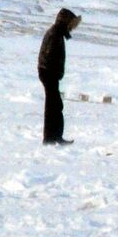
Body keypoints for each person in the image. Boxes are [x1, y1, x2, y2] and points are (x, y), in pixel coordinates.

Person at [38, 8, 82, 145]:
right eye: (71, 24)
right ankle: (52, 138)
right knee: (54, 106)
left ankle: (53, 137)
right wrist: (55, 73)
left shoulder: (57, 33)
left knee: (55, 105)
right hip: (48, 73)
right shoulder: (55, 34)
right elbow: (50, 57)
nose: (72, 28)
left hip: (49, 73)